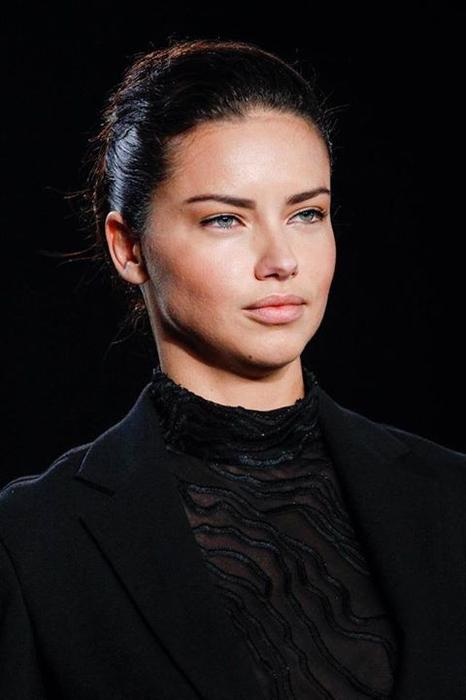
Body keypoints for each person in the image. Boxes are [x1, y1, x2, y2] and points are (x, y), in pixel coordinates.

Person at [0, 38, 465, 700]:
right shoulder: (34, 543)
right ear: (129, 247)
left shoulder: (449, 495)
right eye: (225, 219)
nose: (282, 260)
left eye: (307, 213)